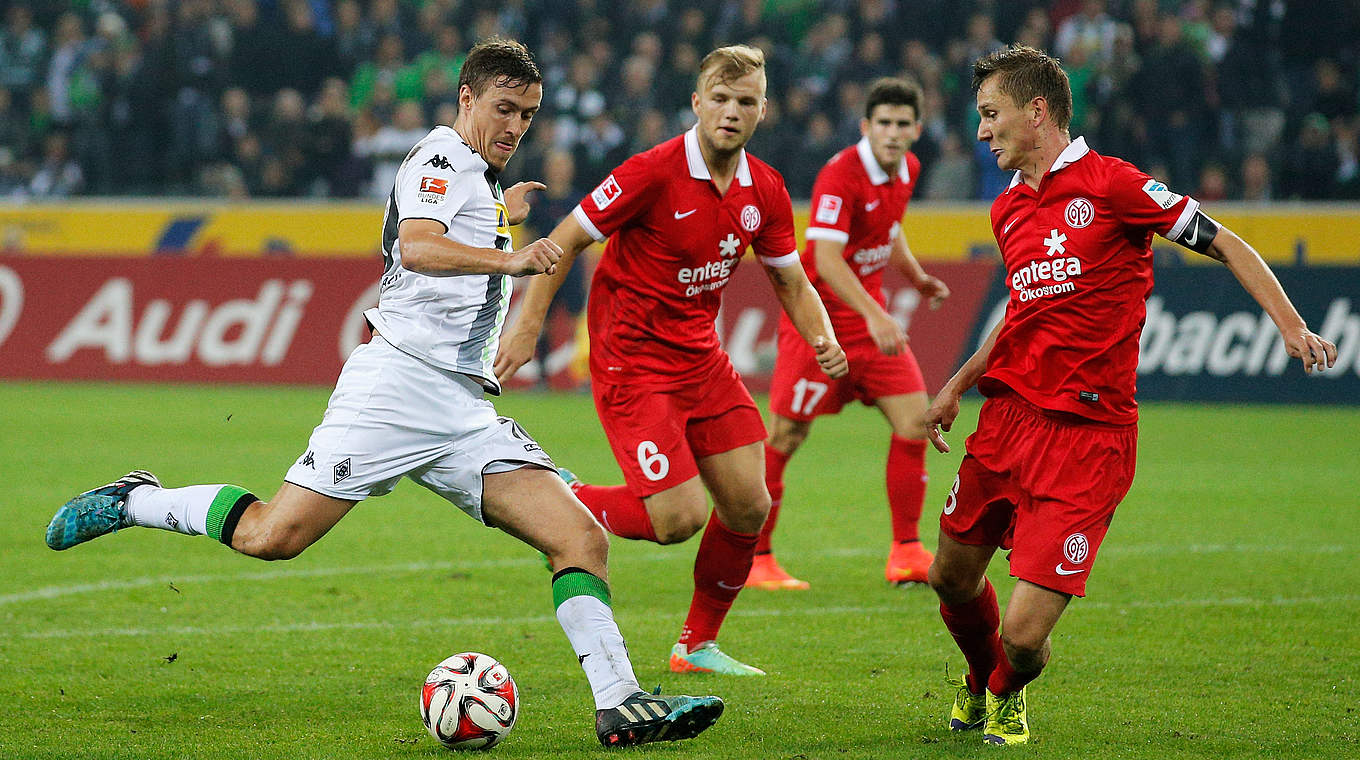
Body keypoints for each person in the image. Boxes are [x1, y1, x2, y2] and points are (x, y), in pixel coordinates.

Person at [44, 38, 724, 750]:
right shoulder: (439, 158)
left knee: (577, 534)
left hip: (462, 409)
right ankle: (136, 499)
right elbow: (419, 249)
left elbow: (449, 234)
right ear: (466, 99)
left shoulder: (479, 175)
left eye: (527, 114)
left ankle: (619, 704)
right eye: (503, 108)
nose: (516, 127)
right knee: (273, 537)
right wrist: (511, 256)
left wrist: (501, 218)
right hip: (396, 388)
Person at [925, 45, 1338, 746]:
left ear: (1037, 111)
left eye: (991, 115)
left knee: (1024, 641)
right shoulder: (1008, 210)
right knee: (951, 579)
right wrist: (956, 386)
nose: (982, 131)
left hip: (1089, 441)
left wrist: (1291, 324)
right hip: (1009, 423)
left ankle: (1003, 688)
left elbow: (1228, 242)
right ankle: (976, 678)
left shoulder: (1114, 185)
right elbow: (1022, 313)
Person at [495, 45, 848, 677]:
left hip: (701, 359)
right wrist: (527, 326)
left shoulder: (763, 189)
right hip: (631, 362)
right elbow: (566, 240)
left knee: (749, 504)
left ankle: (696, 645)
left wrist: (823, 337)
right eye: (720, 97)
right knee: (677, 519)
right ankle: (562, 499)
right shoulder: (651, 172)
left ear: (763, 110)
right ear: (697, 102)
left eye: (745, 102)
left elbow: (791, 281)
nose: (731, 112)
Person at [750, 77, 951, 592]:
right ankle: (757, 559)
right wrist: (877, 316)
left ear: (916, 130)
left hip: (868, 328)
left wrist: (914, 276)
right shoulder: (840, 175)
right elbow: (824, 258)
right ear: (866, 126)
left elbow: (889, 229)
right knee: (786, 436)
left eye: (902, 123)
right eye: (883, 122)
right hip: (819, 328)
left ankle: (906, 553)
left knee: (914, 423)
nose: (892, 132)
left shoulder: (908, 169)